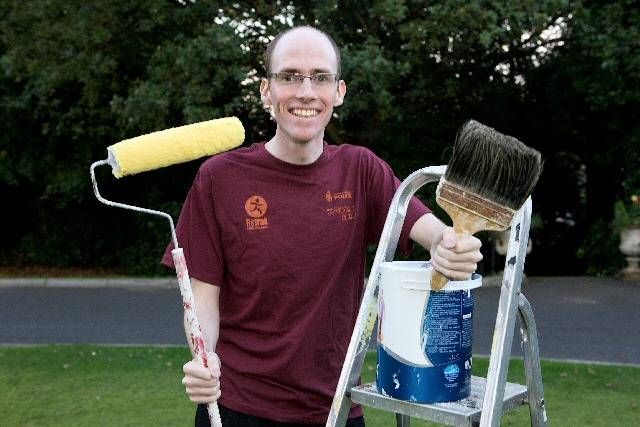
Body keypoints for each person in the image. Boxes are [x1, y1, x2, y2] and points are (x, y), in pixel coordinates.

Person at [162, 26, 482, 427]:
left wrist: (449, 246)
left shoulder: (360, 170)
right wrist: (202, 359)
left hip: (336, 409)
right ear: (266, 90)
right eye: (289, 76)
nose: (305, 92)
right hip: (239, 407)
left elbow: (427, 228)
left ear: (339, 92)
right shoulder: (220, 178)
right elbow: (203, 300)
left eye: (320, 77)